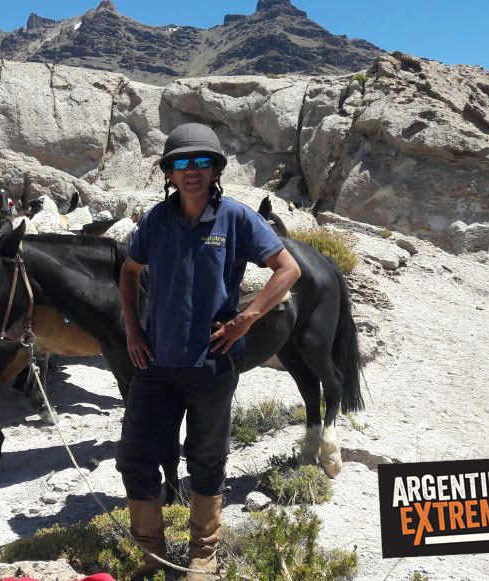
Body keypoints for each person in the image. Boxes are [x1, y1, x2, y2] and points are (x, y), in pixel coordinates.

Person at [116, 123, 302, 579]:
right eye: (181, 163)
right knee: (136, 459)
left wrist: (248, 317)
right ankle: (153, 555)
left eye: (202, 161)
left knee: (206, 460)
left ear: (216, 169)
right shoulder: (156, 220)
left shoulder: (236, 218)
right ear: (169, 173)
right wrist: (133, 332)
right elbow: (129, 271)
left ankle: (203, 555)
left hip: (212, 364)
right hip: (156, 363)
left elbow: (288, 268)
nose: (191, 170)